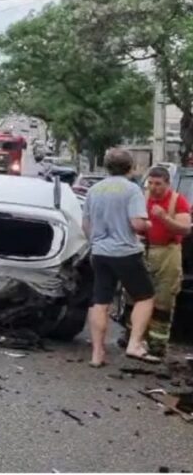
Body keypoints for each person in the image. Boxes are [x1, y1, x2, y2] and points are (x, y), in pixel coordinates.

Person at [84, 149, 159, 367]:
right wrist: (148, 225)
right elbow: (137, 223)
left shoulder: (94, 190)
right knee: (145, 297)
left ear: (106, 167)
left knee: (100, 301)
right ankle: (135, 344)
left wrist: (95, 243)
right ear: (130, 167)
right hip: (125, 252)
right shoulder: (132, 190)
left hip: (99, 253)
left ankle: (97, 354)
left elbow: (86, 225)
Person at [143, 166, 191, 358]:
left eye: (158, 184)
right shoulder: (142, 198)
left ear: (167, 184)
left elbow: (185, 228)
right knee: (137, 296)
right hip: (144, 250)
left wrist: (164, 217)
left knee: (163, 299)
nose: (154, 188)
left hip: (168, 252)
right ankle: (134, 337)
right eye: (151, 183)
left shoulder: (177, 201)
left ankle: (157, 343)